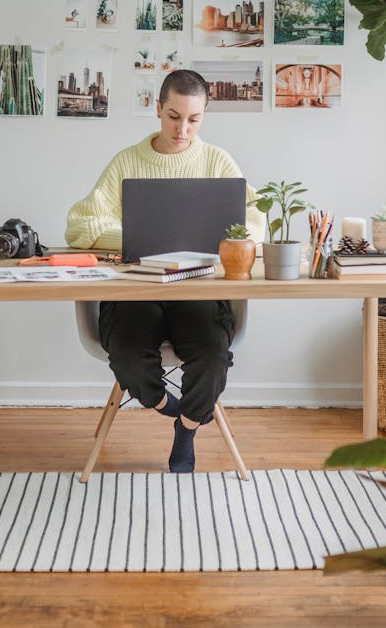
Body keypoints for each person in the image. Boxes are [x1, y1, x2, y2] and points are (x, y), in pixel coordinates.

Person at [65, 69, 264, 473]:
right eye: (174, 117)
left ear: (205, 114)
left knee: (212, 356)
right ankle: (165, 404)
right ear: (157, 109)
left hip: (200, 293)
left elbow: (255, 224)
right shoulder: (127, 162)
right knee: (128, 357)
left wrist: (221, 241)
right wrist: (136, 237)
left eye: (193, 119)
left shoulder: (217, 161)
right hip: (136, 294)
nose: (182, 129)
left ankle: (188, 427)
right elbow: (78, 226)